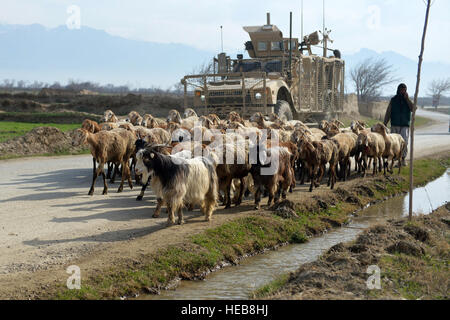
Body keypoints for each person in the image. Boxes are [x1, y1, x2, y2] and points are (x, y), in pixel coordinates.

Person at [383, 83, 416, 166]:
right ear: (398, 90)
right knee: (394, 143)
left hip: (405, 125)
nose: (403, 91)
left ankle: (403, 159)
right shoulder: (393, 100)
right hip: (395, 124)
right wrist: (385, 123)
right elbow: (388, 112)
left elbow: (413, 108)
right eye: (401, 90)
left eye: (404, 90)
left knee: (404, 142)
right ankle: (393, 159)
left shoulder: (408, 100)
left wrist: (407, 99)